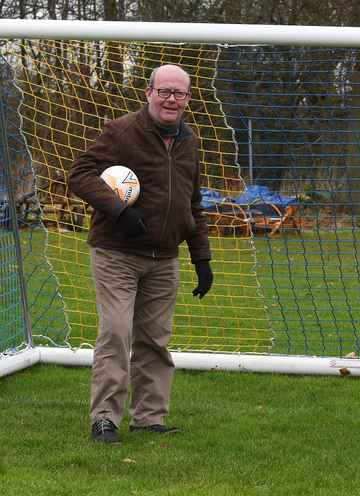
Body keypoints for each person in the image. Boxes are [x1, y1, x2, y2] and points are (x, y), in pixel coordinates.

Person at [69, 64, 213, 444]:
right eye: (164, 91)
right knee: (116, 333)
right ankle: (104, 420)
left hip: (165, 258)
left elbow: (192, 202)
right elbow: (80, 174)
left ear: (187, 99)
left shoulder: (189, 141)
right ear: (148, 93)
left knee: (155, 339)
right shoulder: (121, 132)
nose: (171, 99)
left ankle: (149, 417)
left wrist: (202, 258)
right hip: (117, 252)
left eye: (179, 93)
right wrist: (120, 210)